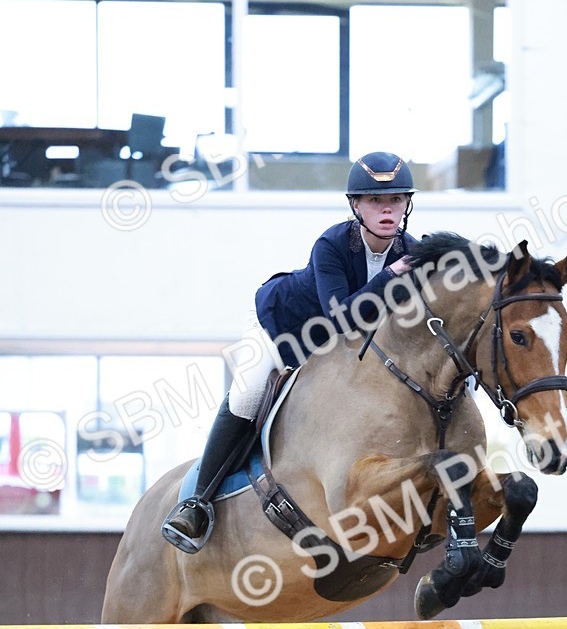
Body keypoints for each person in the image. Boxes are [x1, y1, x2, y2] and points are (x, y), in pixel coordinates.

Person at [161, 151, 419, 553]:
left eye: (395, 200)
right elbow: (343, 320)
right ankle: (195, 504)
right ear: (356, 205)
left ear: (407, 204)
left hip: (333, 353)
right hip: (279, 327)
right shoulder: (331, 245)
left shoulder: (412, 253)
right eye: (374, 201)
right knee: (248, 396)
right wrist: (389, 276)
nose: (387, 210)